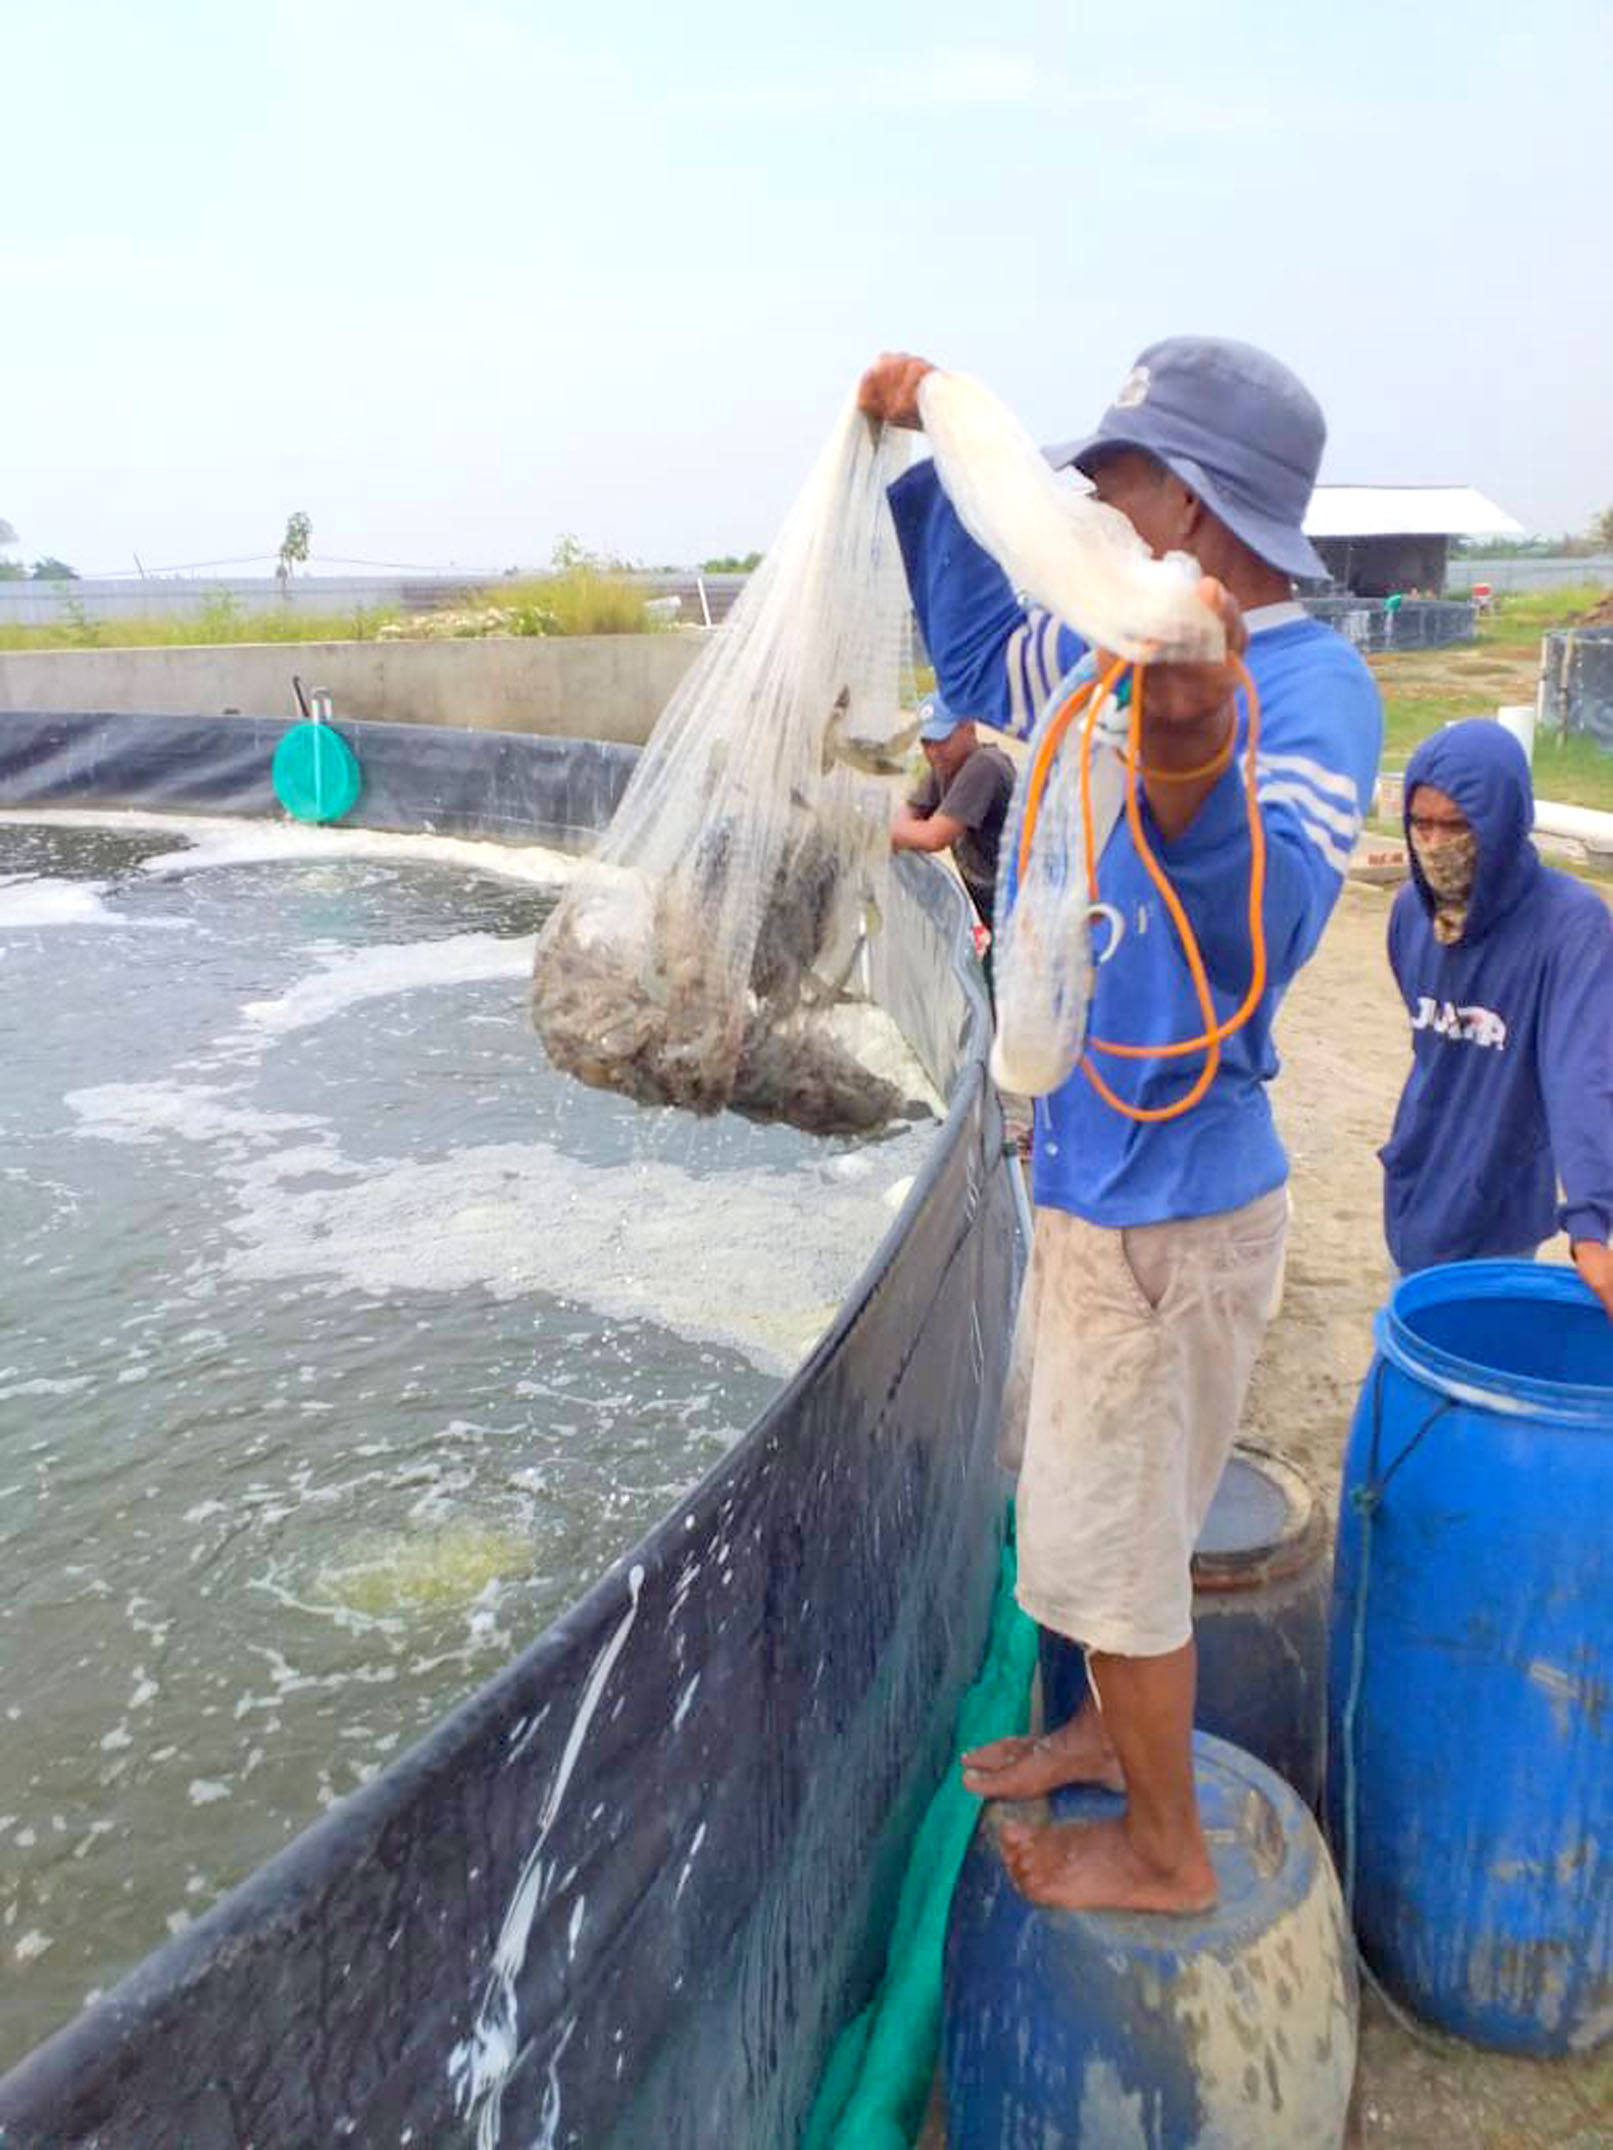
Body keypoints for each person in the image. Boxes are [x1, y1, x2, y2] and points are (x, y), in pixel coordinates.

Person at [858, 336, 1383, 1915]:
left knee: (1123, 1548)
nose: (1084, 507)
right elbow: (972, 643)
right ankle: (1099, 1726)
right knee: (1096, 1523)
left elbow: (1261, 935)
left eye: (1116, 482)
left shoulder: (1302, 688)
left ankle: (1165, 1848)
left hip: (1171, 1210)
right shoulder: (1095, 658)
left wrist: (1189, 766)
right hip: (1092, 1169)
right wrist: (929, 457)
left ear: (1202, 510)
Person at [1380, 718, 1613, 1315]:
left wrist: (1591, 1222)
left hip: (1500, 1203)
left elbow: (1581, 1072)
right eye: (1421, 824)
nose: (1436, 845)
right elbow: (1427, 1037)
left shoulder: (1573, 928)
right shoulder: (1411, 911)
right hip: (1415, 1181)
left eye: (1458, 826)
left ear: (1505, 823)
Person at [889, 692, 1015, 931]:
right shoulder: (945, 767)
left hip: (1020, 918)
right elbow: (907, 816)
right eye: (926, 742)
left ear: (969, 726)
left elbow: (933, 837)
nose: (934, 752)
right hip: (999, 921)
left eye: (942, 739)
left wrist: (878, 830)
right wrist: (895, 831)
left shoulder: (985, 765)